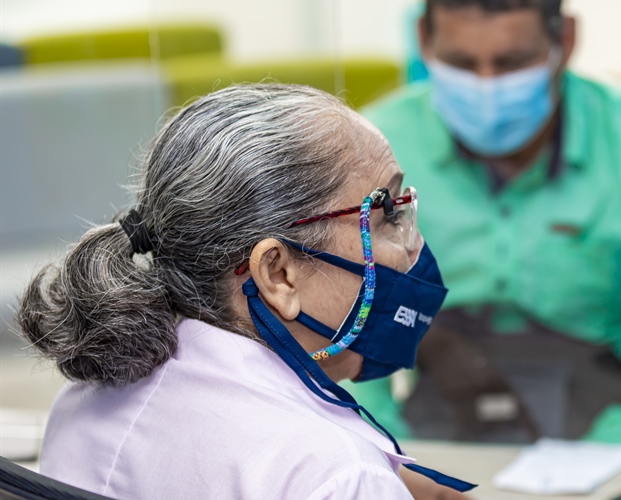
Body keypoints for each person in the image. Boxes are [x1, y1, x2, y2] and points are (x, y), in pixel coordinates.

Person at [15, 84, 472, 499]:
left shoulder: (78, 405)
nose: (412, 245)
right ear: (277, 274)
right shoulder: (338, 475)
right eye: (386, 214)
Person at [352, 0, 621, 450]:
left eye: (512, 63)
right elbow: (344, 337)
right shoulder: (373, 154)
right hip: (442, 429)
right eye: (462, 64)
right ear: (424, 42)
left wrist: (609, 453)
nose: (486, 87)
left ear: (564, 41)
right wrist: (388, 454)